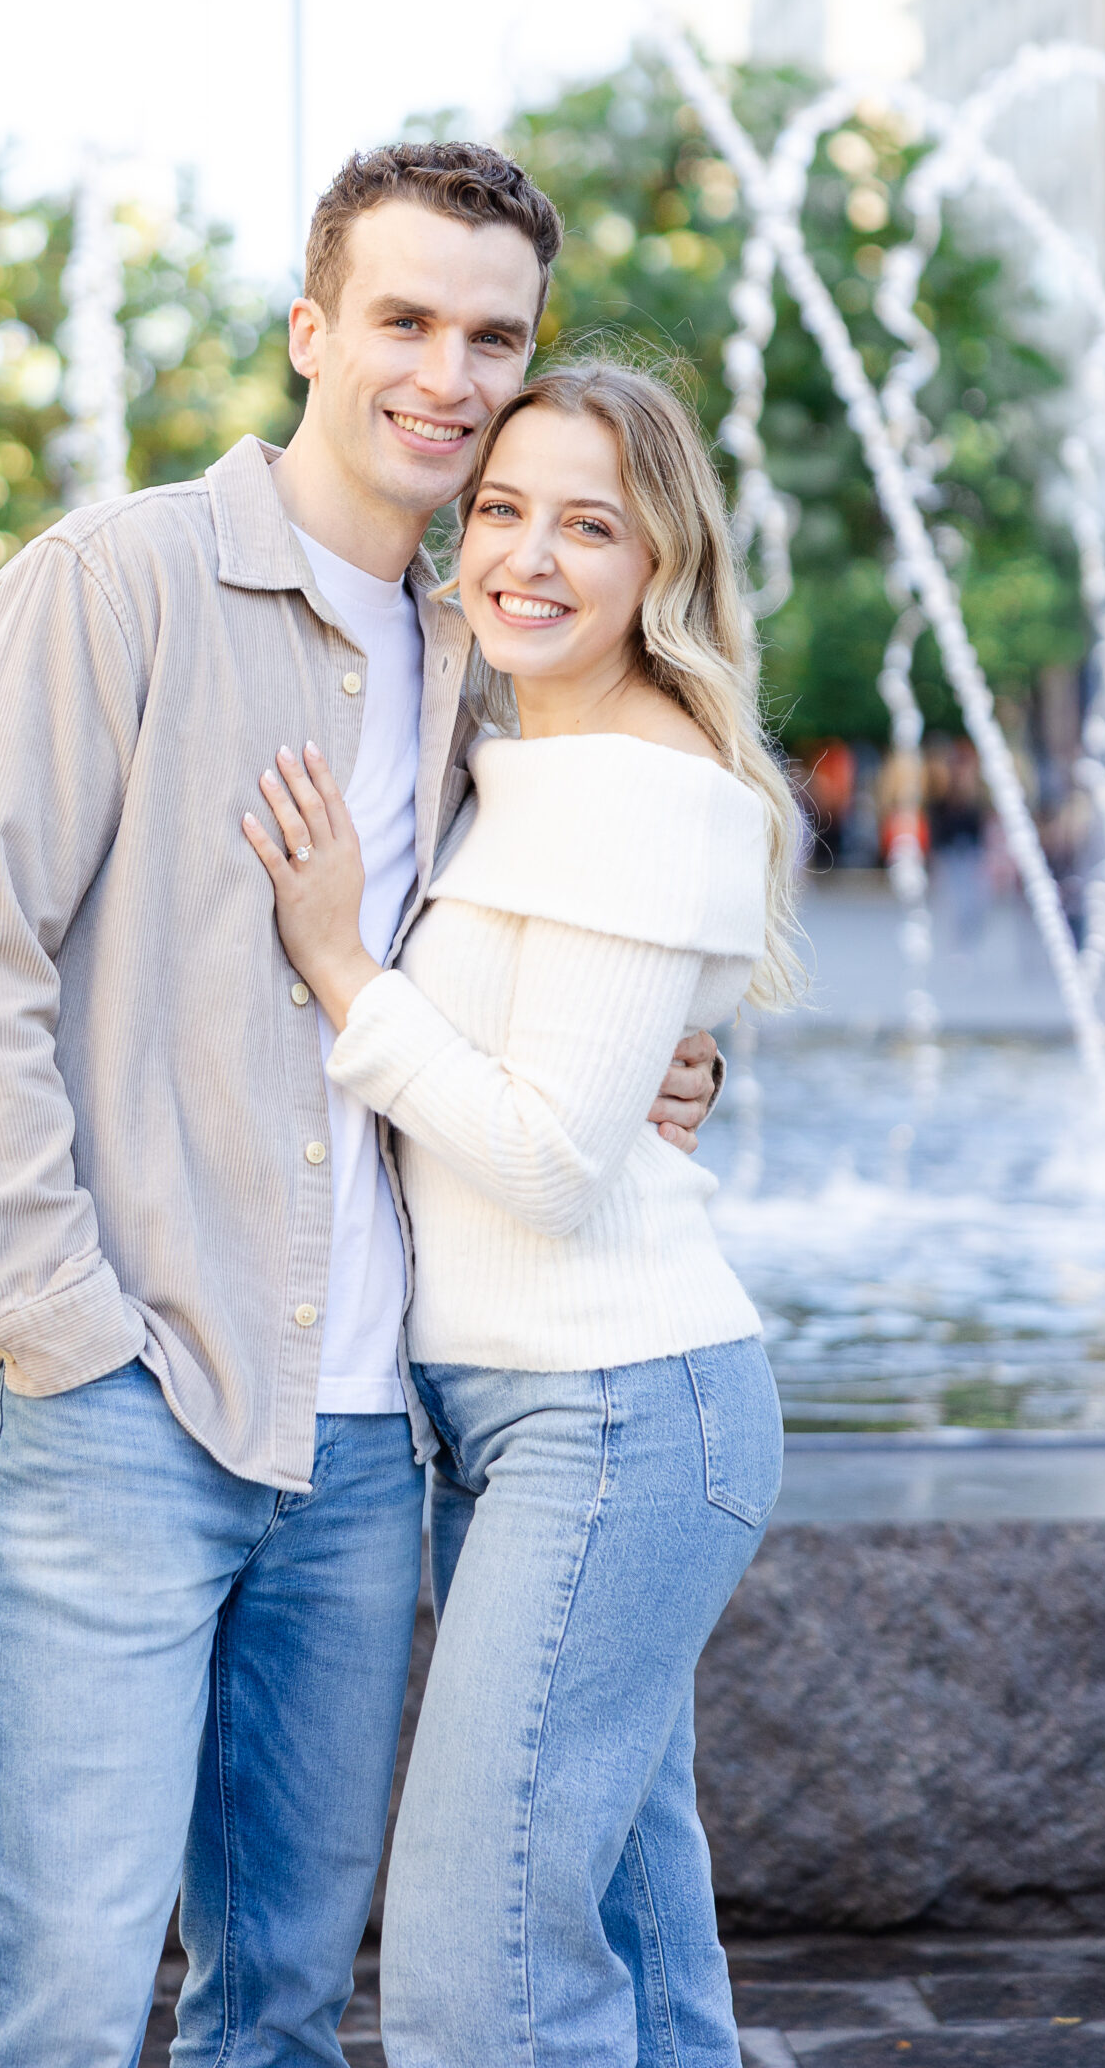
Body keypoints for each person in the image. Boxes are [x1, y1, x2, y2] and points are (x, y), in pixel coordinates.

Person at [0, 146, 724, 2068]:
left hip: (363, 1445)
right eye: (403, 320)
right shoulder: (112, 585)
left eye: (491, 337)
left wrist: (673, 1058)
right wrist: (55, 1335)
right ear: (310, 332)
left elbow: (561, 959)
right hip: (125, 1401)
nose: (447, 373)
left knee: (279, 2006)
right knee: (60, 2008)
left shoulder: (475, 651)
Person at [245, 361, 802, 2068]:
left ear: (662, 565)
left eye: (590, 526)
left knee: (478, 1951)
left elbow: (551, 1163)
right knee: (629, 1917)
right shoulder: (514, 763)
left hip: (614, 1408)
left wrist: (339, 962)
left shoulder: (647, 790)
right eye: (500, 509)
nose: (529, 556)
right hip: (521, 1415)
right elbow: (577, 1066)